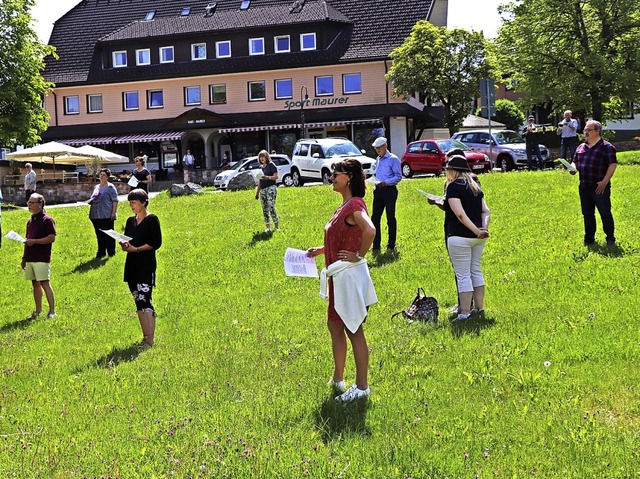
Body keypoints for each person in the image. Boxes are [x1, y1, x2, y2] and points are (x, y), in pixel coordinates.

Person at [306, 159, 377, 402]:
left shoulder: (355, 205)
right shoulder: (343, 205)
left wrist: (359, 255)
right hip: (337, 277)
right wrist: (320, 250)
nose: (332, 177)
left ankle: (362, 386)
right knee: (335, 326)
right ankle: (338, 378)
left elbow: (370, 230)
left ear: (349, 177)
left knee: (353, 328)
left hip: (348, 277)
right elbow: (341, 238)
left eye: (336, 174)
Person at [443, 156, 490, 322]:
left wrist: (476, 231)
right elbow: (486, 211)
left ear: (453, 170)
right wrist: (483, 229)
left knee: (463, 275)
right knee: (475, 271)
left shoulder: (453, 187)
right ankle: (479, 308)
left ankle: (464, 313)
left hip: (460, 236)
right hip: (478, 237)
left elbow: (460, 214)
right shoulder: (475, 186)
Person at [120, 189, 162, 347]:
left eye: (134, 202)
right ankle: (145, 337)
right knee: (138, 301)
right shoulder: (130, 221)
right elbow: (128, 240)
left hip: (145, 265)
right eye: (130, 202)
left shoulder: (152, 220)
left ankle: (150, 339)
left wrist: (136, 249)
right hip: (132, 265)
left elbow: (155, 243)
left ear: (143, 202)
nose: (131, 205)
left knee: (145, 301)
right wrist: (125, 246)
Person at [570, 120, 617, 247]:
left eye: (588, 130)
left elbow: (612, 164)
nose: (585, 132)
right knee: (587, 213)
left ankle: (610, 238)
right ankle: (589, 239)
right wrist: (573, 167)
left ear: (597, 131)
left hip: (599, 186)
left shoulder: (607, 147)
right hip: (584, 186)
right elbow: (575, 161)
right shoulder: (581, 147)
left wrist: (604, 182)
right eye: (585, 130)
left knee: (605, 212)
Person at [22, 193, 57, 320]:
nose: (29, 205)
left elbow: (51, 238)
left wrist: (35, 241)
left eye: (32, 203)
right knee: (35, 284)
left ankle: (52, 311)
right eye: (28, 202)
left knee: (44, 283)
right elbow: (27, 240)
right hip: (30, 257)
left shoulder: (47, 220)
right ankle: (38, 310)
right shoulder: (30, 221)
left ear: (40, 204)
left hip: (41, 257)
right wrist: (24, 258)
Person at [371, 137, 402, 253]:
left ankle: (391, 245)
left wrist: (386, 182)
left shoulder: (393, 159)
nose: (377, 150)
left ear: (385, 146)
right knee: (375, 218)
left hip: (389, 191)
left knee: (390, 218)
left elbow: (398, 176)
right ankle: (376, 245)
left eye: (379, 148)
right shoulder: (377, 159)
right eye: (376, 148)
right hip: (378, 190)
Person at [88, 168, 119, 258]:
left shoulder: (110, 187)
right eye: (100, 175)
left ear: (107, 177)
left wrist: (113, 213)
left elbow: (115, 201)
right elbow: (93, 198)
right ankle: (101, 253)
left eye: (103, 175)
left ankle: (111, 252)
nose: (101, 176)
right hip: (95, 215)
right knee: (99, 235)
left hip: (106, 214)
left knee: (108, 235)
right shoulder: (96, 187)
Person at [254, 150, 279, 233]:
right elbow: (260, 181)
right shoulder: (261, 168)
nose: (262, 158)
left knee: (271, 206)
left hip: (271, 187)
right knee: (264, 208)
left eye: (263, 156)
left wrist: (267, 177)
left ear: (266, 157)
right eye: (260, 157)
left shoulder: (271, 165)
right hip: (263, 189)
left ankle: (276, 226)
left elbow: (276, 177)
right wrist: (257, 193)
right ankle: (267, 227)